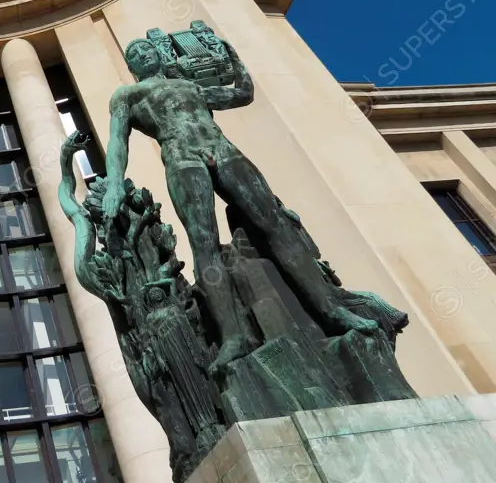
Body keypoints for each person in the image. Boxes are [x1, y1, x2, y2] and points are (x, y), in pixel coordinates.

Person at [100, 35, 377, 376]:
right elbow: (117, 141)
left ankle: (331, 309)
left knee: (274, 224)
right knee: (204, 243)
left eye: (145, 48)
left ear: (157, 53)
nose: (142, 53)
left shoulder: (190, 86)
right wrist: (114, 183)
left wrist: (233, 56)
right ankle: (234, 336)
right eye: (134, 54)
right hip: (182, 157)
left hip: (223, 150)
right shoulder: (128, 95)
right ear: (131, 67)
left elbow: (243, 94)